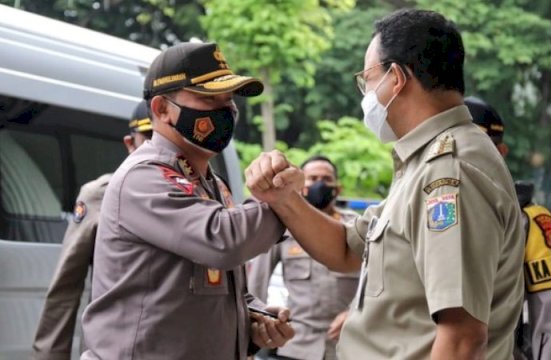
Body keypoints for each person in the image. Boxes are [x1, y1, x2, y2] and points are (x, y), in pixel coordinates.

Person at [244, 8, 524, 359]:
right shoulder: (421, 163)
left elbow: (462, 338)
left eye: (368, 79)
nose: (367, 94)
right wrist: (285, 198)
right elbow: (347, 250)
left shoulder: (449, 171)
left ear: (396, 78)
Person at [80, 42, 295, 360]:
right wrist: (285, 199)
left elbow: (198, 286)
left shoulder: (211, 183)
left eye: (228, 100)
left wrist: (251, 315)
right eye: (208, 99)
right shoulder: (144, 177)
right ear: (161, 109)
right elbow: (223, 241)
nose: (225, 111)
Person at [32, 100, 152, 360]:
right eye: (149, 138)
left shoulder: (197, 196)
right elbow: (65, 287)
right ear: (130, 145)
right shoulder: (102, 194)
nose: (158, 148)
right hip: (113, 349)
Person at [465, 96, 551, 360]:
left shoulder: (530, 221)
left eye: (476, 146)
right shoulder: (419, 207)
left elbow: (550, 325)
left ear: (501, 153)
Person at [248, 155, 359, 360]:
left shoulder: (356, 227)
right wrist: (252, 334)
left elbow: (380, 279)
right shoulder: (283, 225)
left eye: (326, 179)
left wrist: (355, 312)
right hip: (297, 345)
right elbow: (257, 282)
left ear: (338, 188)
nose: (319, 184)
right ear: (300, 185)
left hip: (350, 345)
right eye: (313, 178)